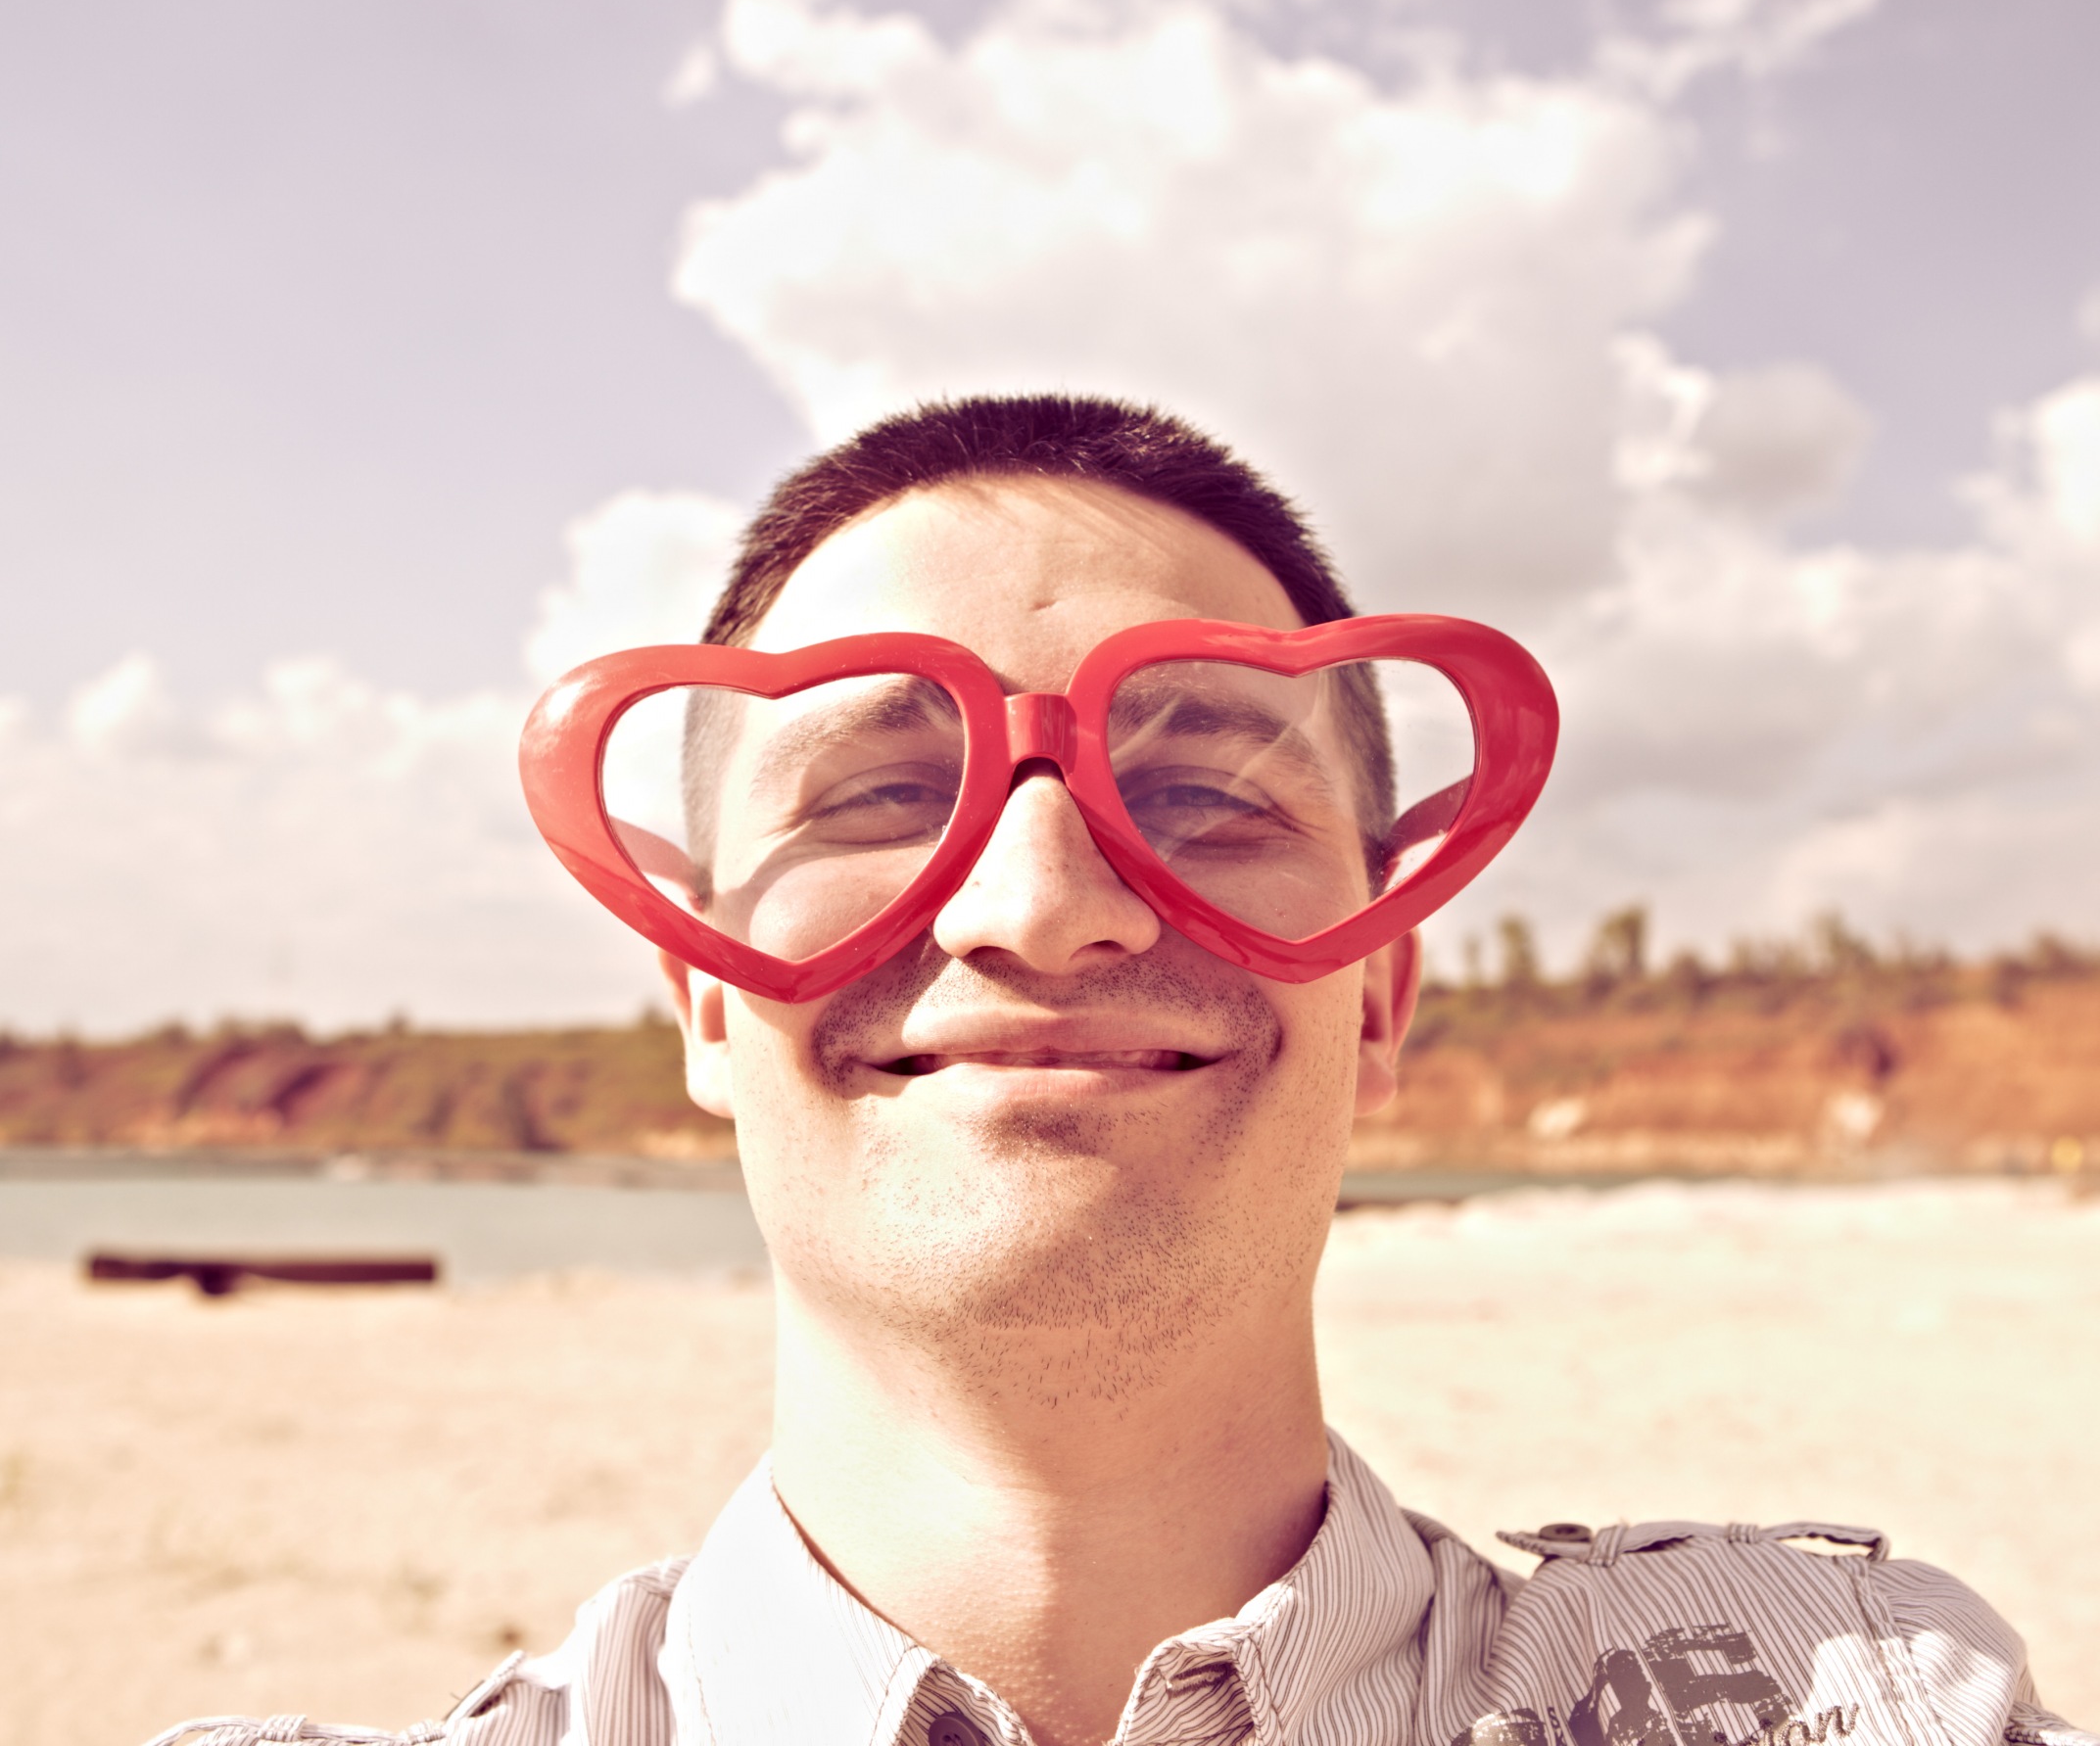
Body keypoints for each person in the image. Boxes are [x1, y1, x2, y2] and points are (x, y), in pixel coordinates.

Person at [148, 397, 2089, 1746]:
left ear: (1380, 995)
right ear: (704, 1005)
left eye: (1207, 790)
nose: (1042, 903)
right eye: (878, 791)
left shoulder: (1859, 1696)